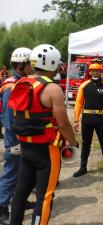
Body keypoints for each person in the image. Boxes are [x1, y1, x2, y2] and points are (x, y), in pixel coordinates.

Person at [8, 44, 79, 225]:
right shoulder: (53, 89)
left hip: (25, 146)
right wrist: (74, 142)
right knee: (45, 196)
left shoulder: (19, 83)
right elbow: (63, 123)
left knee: (21, 191)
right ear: (53, 63)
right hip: (47, 150)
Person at [0, 47, 35, 222]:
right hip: (15, 136)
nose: (33, 66)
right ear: (22, 65)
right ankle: (1, 206)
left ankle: (19, 199)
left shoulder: (23, 82)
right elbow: (8, 117)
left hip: (23, 135)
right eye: (30, 63)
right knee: (11, 171)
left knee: (22, 171)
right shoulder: (10, 85)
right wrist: (14, 141)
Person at [73, 62, 103, 178]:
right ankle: (83, 167)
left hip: (101, 118)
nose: (95, 72)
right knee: (85, 143)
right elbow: (78, 103)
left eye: (98, 70)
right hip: (86, 118)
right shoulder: (84, 85)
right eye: (93, 70)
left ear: (101, 72)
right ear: (89, 72)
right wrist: (76, 120)